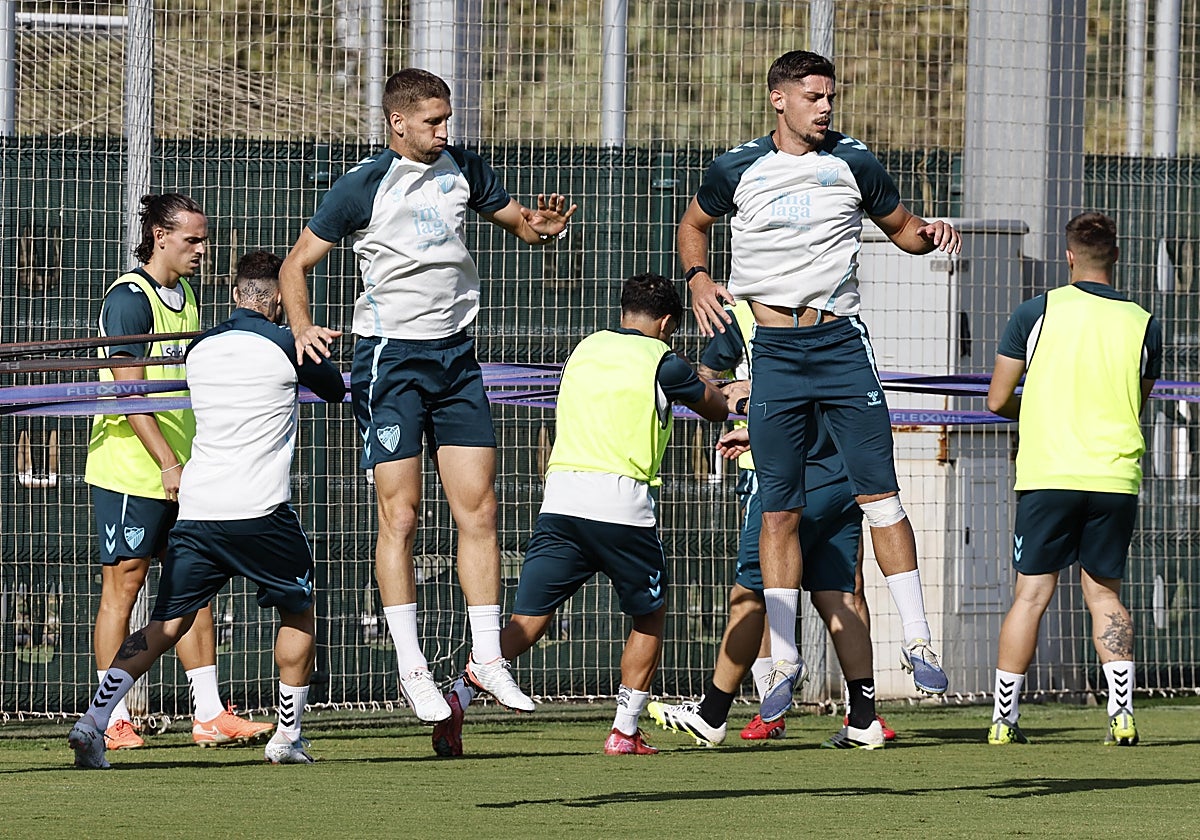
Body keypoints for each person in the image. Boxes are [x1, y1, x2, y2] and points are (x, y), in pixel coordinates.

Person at [279, 68, 576, 724]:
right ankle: (412, 667)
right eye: (434, 121)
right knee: (402, 517)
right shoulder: (363, 184)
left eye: (448, 118)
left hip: (457, 359)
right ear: (399, 123)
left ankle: (488, 659)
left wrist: (540, 230)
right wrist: (301, 326)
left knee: (481, 511)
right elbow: (294, 263)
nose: (446, 131)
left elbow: (517, 225)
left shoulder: (463, 167)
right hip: (392, 360)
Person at [678, 50, 960, 721]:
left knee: (880, 494)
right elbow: (693, 226)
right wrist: (697, 278)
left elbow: (901, 231)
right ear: (779, 100)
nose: (826, 108)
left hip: (840, 344)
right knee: (778, 507)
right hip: (775, 349)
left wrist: (929, 233)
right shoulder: (737, 167)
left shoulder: (853, 161)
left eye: (831, 97)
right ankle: (783, 660)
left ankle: (918, 640)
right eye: (813, 97)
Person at [429, 273, 728, 757]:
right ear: (668, 323)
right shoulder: (664, 362)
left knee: (528, 622)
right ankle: (624, 730)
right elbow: (713, 408)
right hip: (622, 510)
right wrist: (723, 385)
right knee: (650, 615)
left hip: (561, 504)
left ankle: (457, 697)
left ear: (623, 311)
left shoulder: (584, 349)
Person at [69, 251, 347, 769]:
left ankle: (93, 723)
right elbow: (336, 391)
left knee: (166, 623)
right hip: (261, 511)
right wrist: (310, 342)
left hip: (198, 509)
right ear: (279, 300)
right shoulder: (289, 344)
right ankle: (287, 738)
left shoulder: (200, 348)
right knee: (298, 610)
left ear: (236, 295)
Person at [646, 300, 895, 746]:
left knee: (750, 593)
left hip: (788, 486)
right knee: (839, 595)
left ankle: (713, 713)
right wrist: (752, 422)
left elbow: (748, 391)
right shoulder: (843, 323)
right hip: (839, 477)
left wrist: (746, 398)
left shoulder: (765, 322)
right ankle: (863, 719)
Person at [83, 193, 272, 749]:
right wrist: (166, 461)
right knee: (125, 585)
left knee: (195, 586)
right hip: (131, 469)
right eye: (192, 239)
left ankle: (209, 713)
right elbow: (127, 390)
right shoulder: (128, 298)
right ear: (159, 236)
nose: (201, 249)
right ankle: (109, 718)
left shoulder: (185, 293)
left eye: (204, 239)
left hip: (184, 467)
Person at [984, 212, 1160, 746]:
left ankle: (1003, 721)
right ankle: (1122, 716)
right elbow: (1139, 398)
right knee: (1105, 596)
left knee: (1031, 595)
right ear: (1117, 256)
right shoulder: (1143, 321)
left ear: (1068, 257)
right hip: (1114, 475)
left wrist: (1038, 408)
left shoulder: (1036, 312)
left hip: (1049, 471)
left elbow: (996, 400)